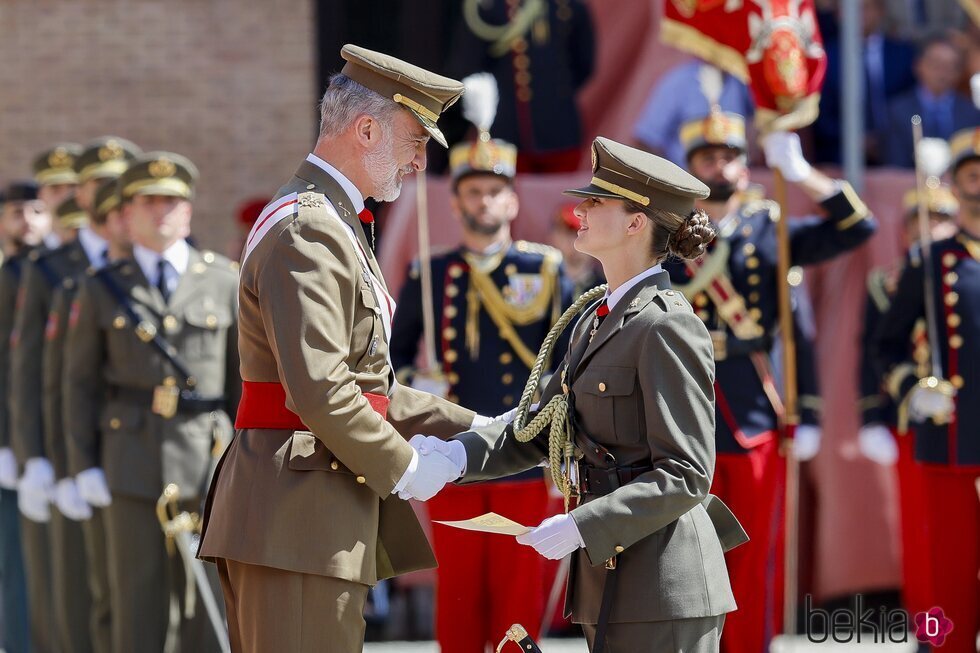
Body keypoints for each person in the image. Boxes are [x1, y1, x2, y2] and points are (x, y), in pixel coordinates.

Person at [198, 45, 493, 652]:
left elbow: (369, 389)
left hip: (309, 515)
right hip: (296, 519)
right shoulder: (310, 227)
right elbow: (321, 389)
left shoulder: (331, 220)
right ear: (366, 130)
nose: (417, 163)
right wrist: (408, 467)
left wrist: (484, 428)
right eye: (415, 142)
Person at [416, 137, 748, 653]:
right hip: (609, 580)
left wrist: (582, 524)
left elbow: (686, 474)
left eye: (596, 202)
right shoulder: (596, 319)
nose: (580, 210)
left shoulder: (665, 324)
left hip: (664, 586)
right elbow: (541, 424)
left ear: (636, 223)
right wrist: (458, 454)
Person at [668, 111, 876, 653]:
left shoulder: (770, 226)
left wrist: (804, 173)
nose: (721, 165)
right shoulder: (665, 232)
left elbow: (858, 228)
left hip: (753, 408)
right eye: (708, 157)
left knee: (752, 553)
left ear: (745, 164)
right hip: (678, 406)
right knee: (680, 557)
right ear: (689, 168)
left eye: (730, 156)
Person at [390, 124, 574, 651]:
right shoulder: (431, 271)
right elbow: (391, 361)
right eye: (473, 190)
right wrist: (415, 384)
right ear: (455, 202)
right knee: (459, 594)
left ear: (513, 201)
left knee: (519, 587)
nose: (484, 200)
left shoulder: (544, 268)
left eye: (495, 190)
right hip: (451, 453)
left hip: (523, 446)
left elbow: (565, 365)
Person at [65, 151, 240, 653]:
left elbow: (239, 387)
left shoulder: (223, 280)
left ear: (188, 212)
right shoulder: (101, 288)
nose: (162, 211)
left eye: (172, 202)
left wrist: (243, 461)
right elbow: (78, 385)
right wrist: (83, 467)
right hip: (130, 463)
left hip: (209, 463)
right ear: (126, 214)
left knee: (210, 603)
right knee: (137, 606)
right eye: (149, 202)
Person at [872, 126, 980, 652]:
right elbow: (886, 344)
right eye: (971, 175)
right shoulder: (929, 261)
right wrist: (915, 388)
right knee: (947, 575)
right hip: (951, 434)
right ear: (956, 187)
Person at [857, 185, 958, 619]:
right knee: (922, 531)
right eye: (919, 221)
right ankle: (929, 623)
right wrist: (870, 414)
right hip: (912, 417)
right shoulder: (887, 282)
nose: (929, 228)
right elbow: (872, 349)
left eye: (939, 219)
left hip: (965, 415)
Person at [447, 0, 595, 172]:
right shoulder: (485, 7)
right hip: (505, 131)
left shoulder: (567, 6)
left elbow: (584, 65)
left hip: (559, 131)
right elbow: (468, 66)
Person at [0, 180, 52, 653]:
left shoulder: (56, 272)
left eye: (37, 210)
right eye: (17, 211)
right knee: (15, 563)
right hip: (8, 445)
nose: (29, 220)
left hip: (49, 439)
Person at [813, 0, 917, 165]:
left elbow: (911, 103)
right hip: (839, 152)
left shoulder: (903, 53)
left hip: (897, 150)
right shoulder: (824, 57)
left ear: (881, 11)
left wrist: (884, 138)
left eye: (866, 8)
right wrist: (854, 138)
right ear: (838, 14)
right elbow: (820, 114)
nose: (859, 15)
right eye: (852, 9)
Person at [633, 60, 754, 166]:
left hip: (728, 180)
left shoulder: (741, 82)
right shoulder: (679, 82)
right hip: (684, 179)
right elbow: (645, 140)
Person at [884, 35, 980, 168]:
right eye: (936, 64)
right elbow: (894, 166)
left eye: (950, 66)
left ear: (959, 72)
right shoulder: (898, 110)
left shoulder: (972, 113)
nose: (942, 73)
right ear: (918, 65)